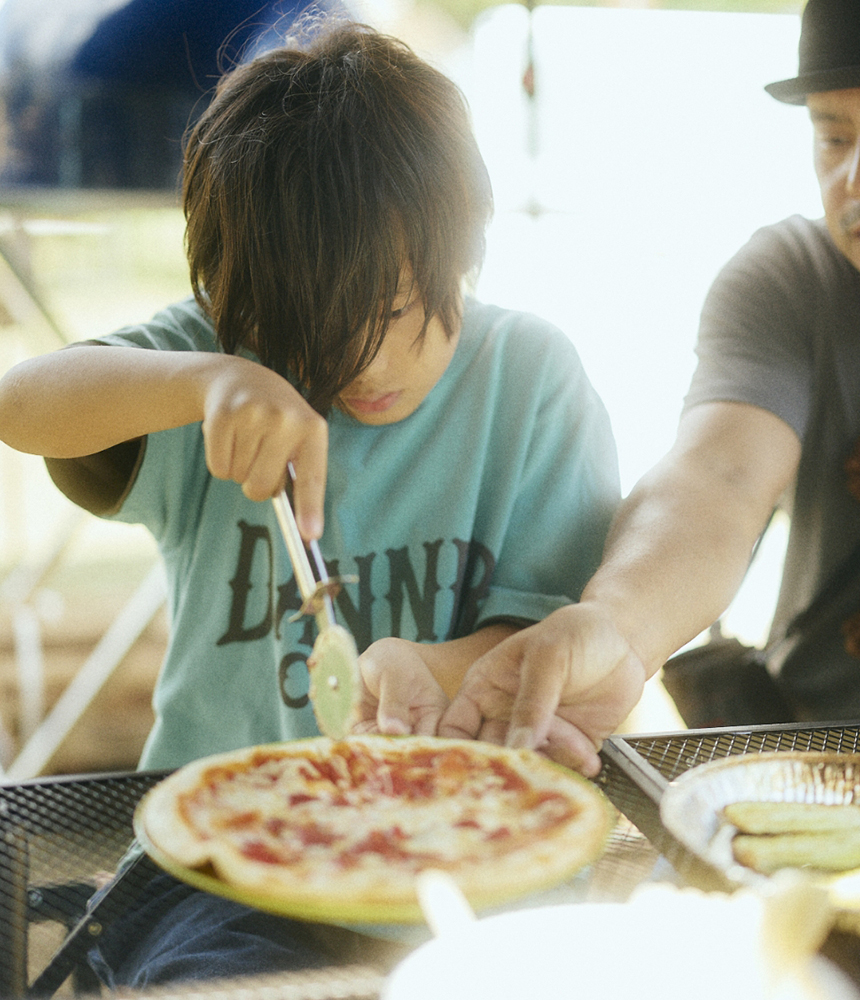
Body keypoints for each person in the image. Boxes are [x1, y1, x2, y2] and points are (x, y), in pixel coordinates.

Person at [0, 18, 619, 985]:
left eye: (396, 314)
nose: (364, 365)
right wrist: (202, 382)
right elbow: (21, 404)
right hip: (219, 854)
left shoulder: (532, 381)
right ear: (236, 295)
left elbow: (543, 650)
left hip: (477, 843)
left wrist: (425, 665)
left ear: (464, 249)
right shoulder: (220, 352)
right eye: (313, 329)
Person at [433, 0, 860, 777]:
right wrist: (616, 627)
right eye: (832, 136)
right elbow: (718, 478)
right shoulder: (792, 281)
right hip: (822, 764)